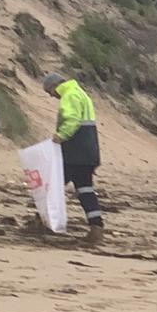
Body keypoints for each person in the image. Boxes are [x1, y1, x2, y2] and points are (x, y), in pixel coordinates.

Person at [42, 72, 105, 244]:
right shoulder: (81, 93)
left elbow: (72, 120)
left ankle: (42, 221)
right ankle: (96, 227)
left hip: (74, 154)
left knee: (51, 185)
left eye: (49, 91)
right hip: (88, 153)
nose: (51, 96)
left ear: (55, 86)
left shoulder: (69, 96)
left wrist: (60, 136)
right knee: (85, 190)